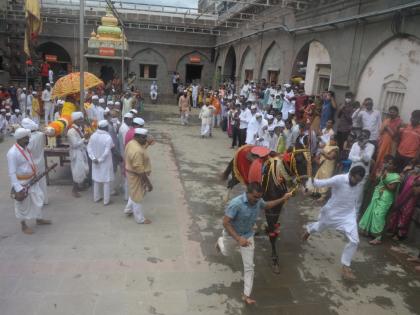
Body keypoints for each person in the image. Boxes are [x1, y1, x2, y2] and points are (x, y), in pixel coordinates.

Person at [216, 182, 293, 305]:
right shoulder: (236, 204)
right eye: (255, 197)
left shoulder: (258, 201)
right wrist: (237, 238)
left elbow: (267, 205)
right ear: (248, 193)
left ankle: (246, 295)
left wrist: (283, 199)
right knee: (226, 252)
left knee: (249, 266)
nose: (257, 200)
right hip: (231, 235)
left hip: (248, 236)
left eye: (259, 197)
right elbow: (225, 222)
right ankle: (220, 242)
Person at [302, 166, 366, 280]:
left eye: (359, 180)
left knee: (355, 241)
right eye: (355, 179)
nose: (356, 182)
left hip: (348, 216)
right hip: (332, 214)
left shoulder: (358, 184)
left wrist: (354, 215)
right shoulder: (340, 179)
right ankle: (309, 230)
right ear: (350, 174)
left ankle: (345, 267)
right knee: (319, 227)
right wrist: (309, 182)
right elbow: (322, 183)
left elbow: (355, 200)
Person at [7, 128, 51, 234]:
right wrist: (18, 189)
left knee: (38, 198)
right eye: (26, 138)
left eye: (28, 138)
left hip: (32, 179)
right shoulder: (12, 153)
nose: (28, 140)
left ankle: (39, 219)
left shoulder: (26, 148)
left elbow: (29, 163)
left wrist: (34, 175)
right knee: (22, 206)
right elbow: (12, 173)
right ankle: (23, 225)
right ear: (19, 139)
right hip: (21, 183)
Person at [359, 162, 400, 245]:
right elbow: (378, 183)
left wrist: (384, 179)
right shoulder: (384, 172)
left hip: (386, 198)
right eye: (388, 163)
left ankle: (378, 238)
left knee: (379, 215)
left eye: (391, 163)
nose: (388, 164)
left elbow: (392, 188)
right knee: (372, 212)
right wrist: (379, 176)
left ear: (395, 166)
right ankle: (369, 232)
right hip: (377, 195)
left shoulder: (396, 176)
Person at [124, 128, 153, 224]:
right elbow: (139, 170)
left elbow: (142, 149)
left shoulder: (132, 143)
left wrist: (147, 143)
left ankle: (128, 209)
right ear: (137, 137)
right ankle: (140, 218)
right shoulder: (136, 150)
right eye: (144, 137)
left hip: (131, 172)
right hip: (136, 175)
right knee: (138, 196)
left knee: (134, 191)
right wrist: (148, 183)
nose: (145, 139)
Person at [387, 161, 420, 240]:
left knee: (405, 216)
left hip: (410, 200)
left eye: (419, 167)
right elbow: (401, 180)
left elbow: (416, 191)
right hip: (402, 196)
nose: (417, 168)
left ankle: (399, 234)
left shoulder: (418, 178)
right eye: (417, 166)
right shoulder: (409, 174)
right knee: (396, 212)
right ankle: (393, 230)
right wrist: (405, 171)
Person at [87, 120, 114, 206]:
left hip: (95, 162)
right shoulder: (108, 137)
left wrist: (93, 158)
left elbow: (89, 148)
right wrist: (100, 159)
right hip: (104, 162)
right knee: (106, 181)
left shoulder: (93, 136)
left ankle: (96, 198)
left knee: (96, 180)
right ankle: (106, 201)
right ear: (106, 127)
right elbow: (107, 151)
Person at [22, 118, 48, 205]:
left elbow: (26, 152)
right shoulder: (41, 135)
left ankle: (37, 201)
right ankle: (44, 200)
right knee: (42, 181)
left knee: (34, 184)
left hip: (32, 164)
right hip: (41, 161)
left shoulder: (29, 140)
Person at [348, 129, 375, 213]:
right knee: (349, 190)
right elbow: (350, 157)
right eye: (362, 135)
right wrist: (360, 159)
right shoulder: (355, 144)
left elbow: (367, 159)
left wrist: (363, 148)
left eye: (365, 136)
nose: (362, 137)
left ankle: (355, 214)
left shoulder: (371, 146)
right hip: (353, 170)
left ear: (368, 138)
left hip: (363, 173)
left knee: (359, 195)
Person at [372, 106, 403, 177]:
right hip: (383, 143)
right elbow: (380, 132)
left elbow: (395, 135)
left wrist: (388, 128)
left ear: (397, 113)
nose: (391, 113)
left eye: (393, 112)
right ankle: (375, 175)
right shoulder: (386, 120)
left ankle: (384, 177)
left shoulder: (399, 122)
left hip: (391, 145)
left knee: (387, 160)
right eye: (390, 112)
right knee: (379, 158)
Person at [67, 112, 89, 197]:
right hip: (76, 153)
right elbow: (75, 144)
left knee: (83, 170)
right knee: (76, 170)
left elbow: (81, 140)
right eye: (80, 119)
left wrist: (85, 140)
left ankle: (80, 187)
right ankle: (74, 190)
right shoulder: (71, 131)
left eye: (82, 119)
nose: (82, 120)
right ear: (75, 120)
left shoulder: (78, 128)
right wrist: (84, 138)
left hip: (81, 151)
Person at [312, 135, 339, 201]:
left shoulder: (335, 148)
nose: (331, 140)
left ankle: (323, 196)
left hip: (329, 165)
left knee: (325, 179)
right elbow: (320, 147)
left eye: (332, 139)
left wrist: (323, 153)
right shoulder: (327, 144)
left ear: (336, 141)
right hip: (322, 164)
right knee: (319, 177)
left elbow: (330, 157)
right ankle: (317, 192)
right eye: (330, 139)